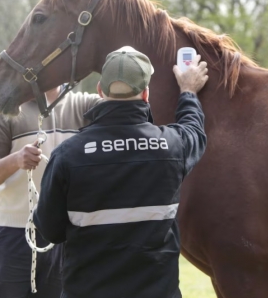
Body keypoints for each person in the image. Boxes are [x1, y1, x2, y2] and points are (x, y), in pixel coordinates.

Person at [33, 46, 208, 298]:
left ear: (100, 91)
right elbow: (194, 131)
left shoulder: (67, 154)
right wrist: (189, 92)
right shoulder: (172, 145)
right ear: (146, 93)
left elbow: (50, 230)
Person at [0, 85, 101, 298]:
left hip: (65, 240)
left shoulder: (85, 106)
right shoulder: (6, 110)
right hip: (12, 236)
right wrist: (16, 160)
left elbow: (130, 101)